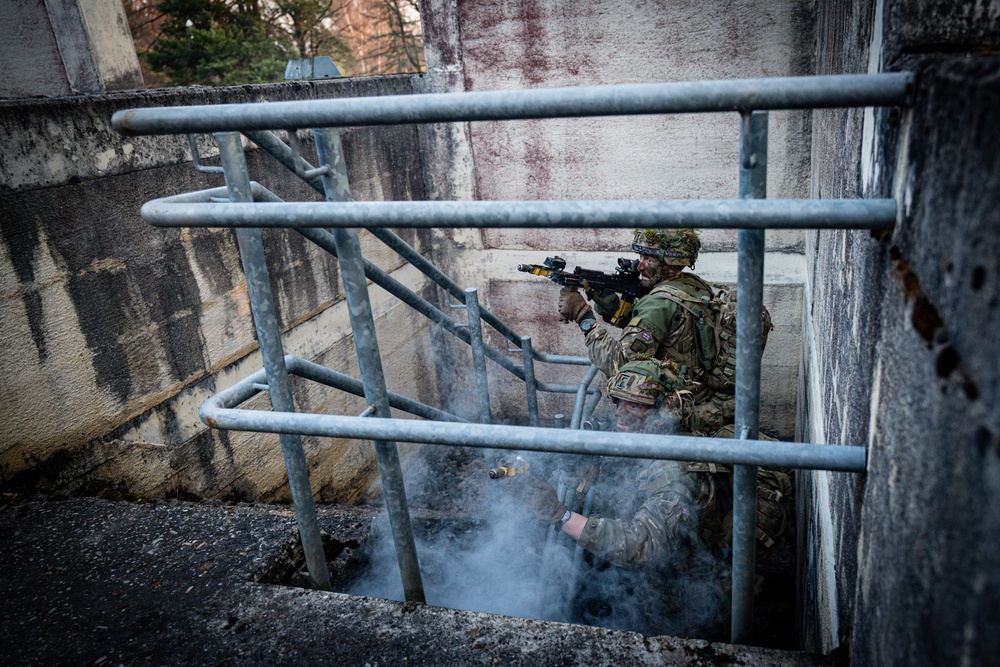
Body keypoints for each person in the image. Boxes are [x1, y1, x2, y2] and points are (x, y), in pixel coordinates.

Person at [519, 360, 791, 638]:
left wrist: (559, 514)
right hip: (676, 543)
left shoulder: (673, 471)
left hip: (694, 570)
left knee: (654, 626)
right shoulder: (659, 435)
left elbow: (641, 546)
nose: (620, 415)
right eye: (619, 403)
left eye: (634, 406)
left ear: (662, 413)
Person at [558, 228, 737, 427]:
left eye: (649, 259)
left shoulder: (658, 303)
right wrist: (615, 308)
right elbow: (670, 335)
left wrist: (584, 317)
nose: (640, 266)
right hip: (701, 394)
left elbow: (619, 364)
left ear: (670, 264)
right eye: (640, 257)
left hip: (672, 412)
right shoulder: (692, 285)